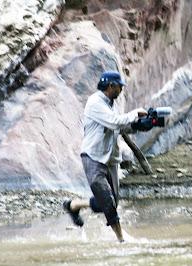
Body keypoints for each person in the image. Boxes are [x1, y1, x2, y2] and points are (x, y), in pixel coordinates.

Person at [63, 70, 149, 242]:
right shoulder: (95, 102)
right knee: (108, 204)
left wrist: (140, 125)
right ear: (111, 86)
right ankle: (122, 240)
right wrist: (135, 114)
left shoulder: (110, 104)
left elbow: (119, 127)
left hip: (110, 159)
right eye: (120, 87)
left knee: (111, 202)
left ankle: (73, 206)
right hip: (93, 158)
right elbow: (114, 121)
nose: (121, 90)